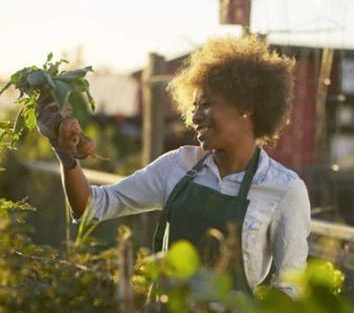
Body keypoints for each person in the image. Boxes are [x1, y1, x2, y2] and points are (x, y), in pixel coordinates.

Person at [39, 35, 311, 299]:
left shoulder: (285, 189)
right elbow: (90, 207)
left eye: (205, 105)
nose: (194, 117)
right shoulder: (178, 165)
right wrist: (65, 155)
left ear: (246, 108)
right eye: (193, 106)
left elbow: (290, 288)